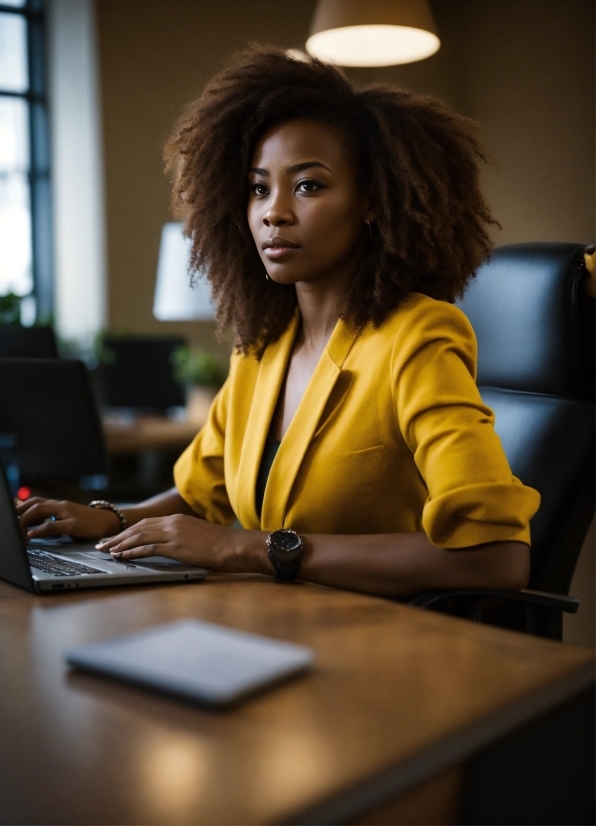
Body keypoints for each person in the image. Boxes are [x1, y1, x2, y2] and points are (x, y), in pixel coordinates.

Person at [17, 46, 540, 597]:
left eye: (308, 185)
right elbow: (201, 494)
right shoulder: (262, 348)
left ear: (370, 201)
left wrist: (244, 547)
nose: (274, 212)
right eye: (259, 188)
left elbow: (496, 560)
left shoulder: (418, 337)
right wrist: (112, 519)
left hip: (386, 647)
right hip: (274, 625)